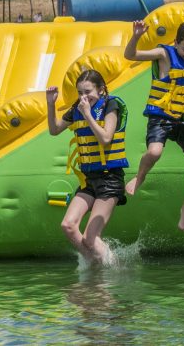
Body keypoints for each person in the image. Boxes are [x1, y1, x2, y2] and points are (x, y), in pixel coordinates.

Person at [124, 19, 184, 232]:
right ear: (175, 42)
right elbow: (130, 55)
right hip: (161, 117)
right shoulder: (164, 55)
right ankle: (139, 177)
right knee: (154, 152)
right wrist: (136, 36)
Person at [46, 69, 129, 264]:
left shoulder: (111, 105)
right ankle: (96, 265)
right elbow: (54, 129)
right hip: (89, 180)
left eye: (88, 91)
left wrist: (88, 115)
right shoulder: (77, 108)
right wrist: (51, 104)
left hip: (109, 178)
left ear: (100, 89)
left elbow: (106, 138)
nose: (84, 97)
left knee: (90, 238)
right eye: (80, 93)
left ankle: (114, 273)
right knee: (68, 225)